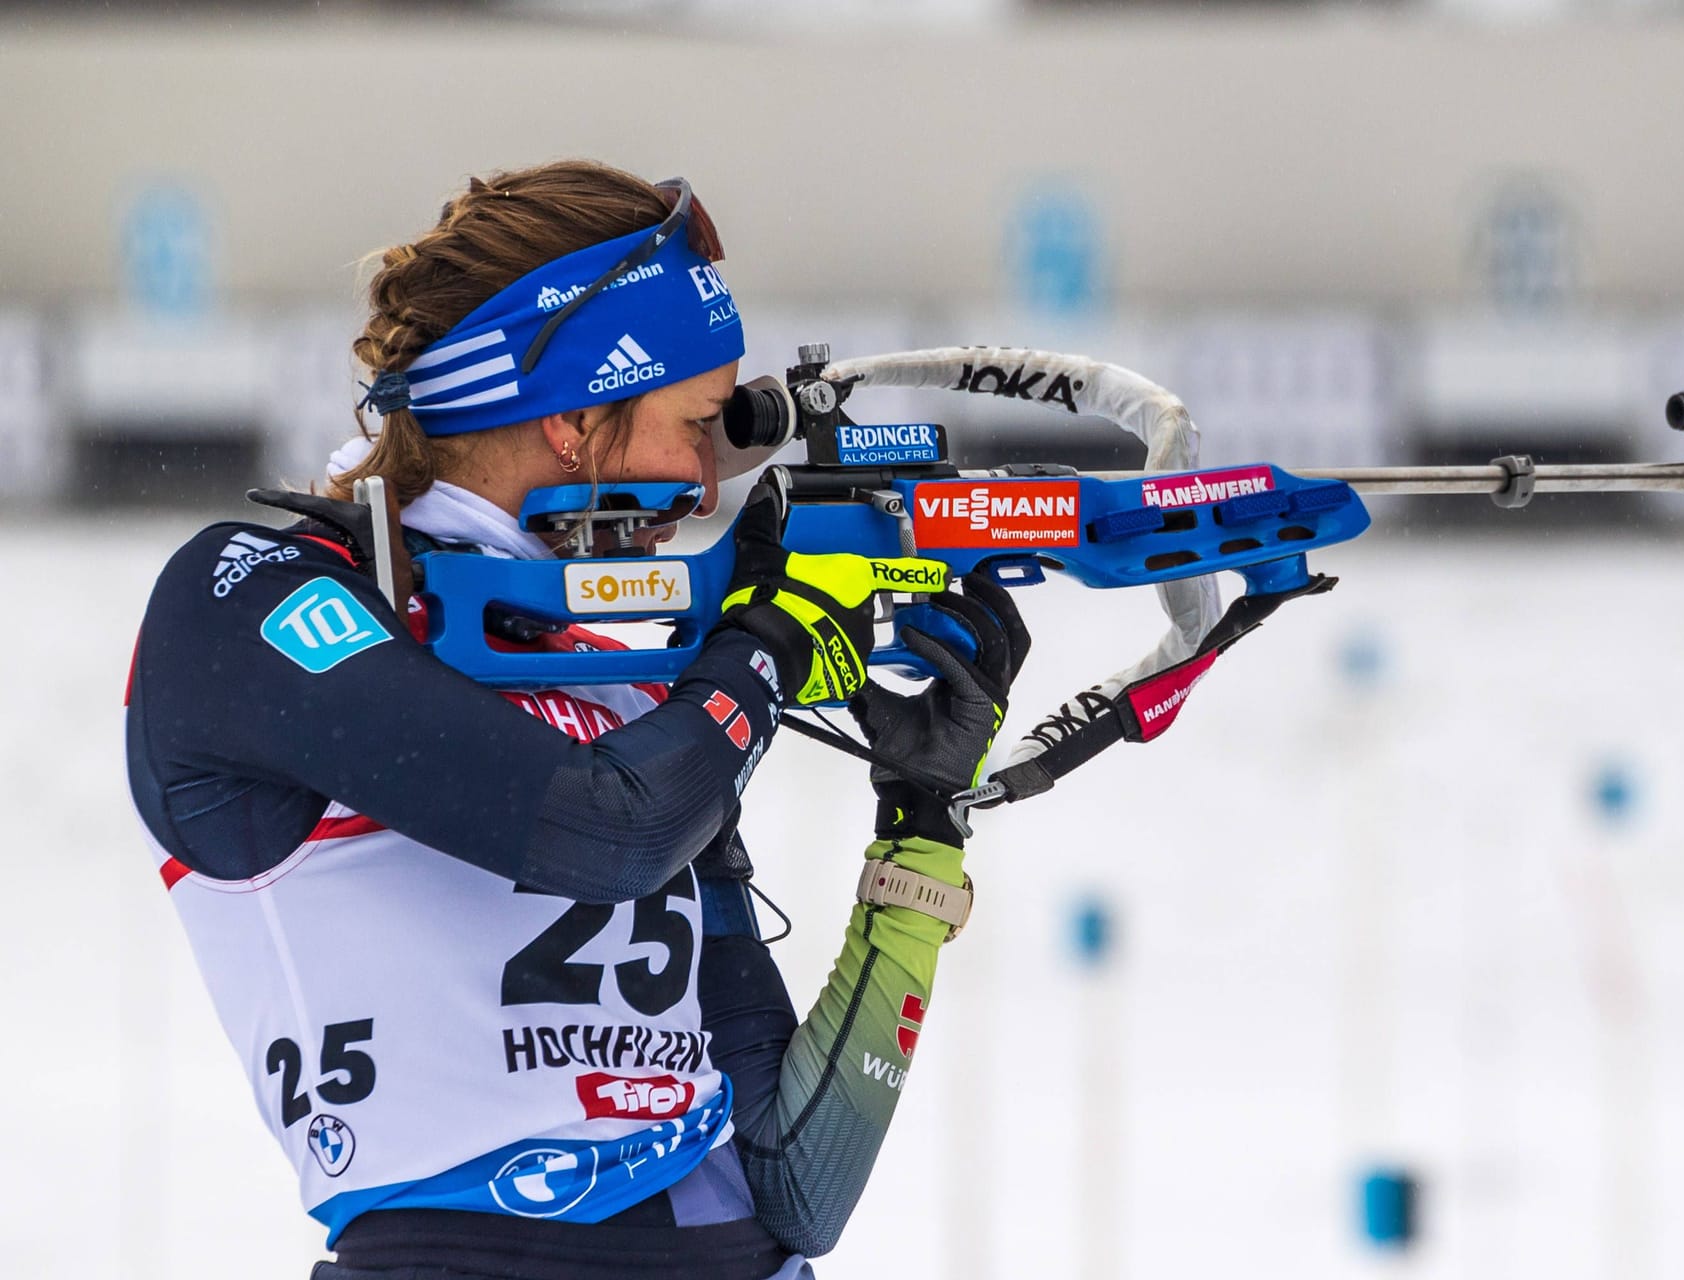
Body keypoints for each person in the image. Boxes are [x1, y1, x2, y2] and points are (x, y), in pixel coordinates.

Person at [122, 159, 1028, 1280]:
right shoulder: (250, 597)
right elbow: (609, 833)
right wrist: (768, 642)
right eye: (697, 423)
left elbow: (800, 1182)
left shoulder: (637, 689)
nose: (706, 486)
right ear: (578, 415)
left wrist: (922, 823)